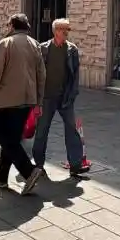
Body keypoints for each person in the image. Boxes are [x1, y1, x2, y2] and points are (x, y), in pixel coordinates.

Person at [0, 13, 46, 194]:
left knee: (4, 138)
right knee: (12, 140)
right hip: (27, 100)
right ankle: (1, 177)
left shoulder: (5, 43)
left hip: (6, 100)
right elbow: (42, 75)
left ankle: (29, 171)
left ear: (12, 26)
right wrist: (38, 101)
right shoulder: (35, 44)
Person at [34, 19, 88, 174]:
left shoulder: (72, 50)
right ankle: (38, 165)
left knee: (72, 129)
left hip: (65, 97)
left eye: (67, 29)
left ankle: (76, 164)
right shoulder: (43, 49)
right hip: (46, 97)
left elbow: (75, 75)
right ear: (55, 31)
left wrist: (73, 93)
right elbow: (35, 73)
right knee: (42, 131)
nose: (66, 32)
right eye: (63, 29)